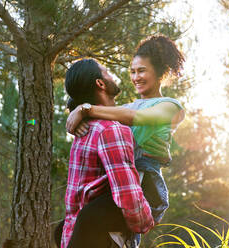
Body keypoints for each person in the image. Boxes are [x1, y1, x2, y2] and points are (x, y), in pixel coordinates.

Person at [66, 34, 185, 247]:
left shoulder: (170, 106)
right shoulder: (128, 106)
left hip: (147, 183)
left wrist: (86, 110)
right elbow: (102, 105)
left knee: (91, 218)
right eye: (133, 71)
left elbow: (137, 118)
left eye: (142, 71)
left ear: (159, 73)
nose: (136, 77)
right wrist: (75, 110)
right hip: (127, 179)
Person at [60, 59, 154, 248]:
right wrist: (145, 222)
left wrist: (81, 109)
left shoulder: (84, 130)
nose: (113, 76)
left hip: (71, 237)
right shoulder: (111, 130)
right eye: (107, 72)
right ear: (100, 83)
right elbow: (128, 194)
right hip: (100, 239)